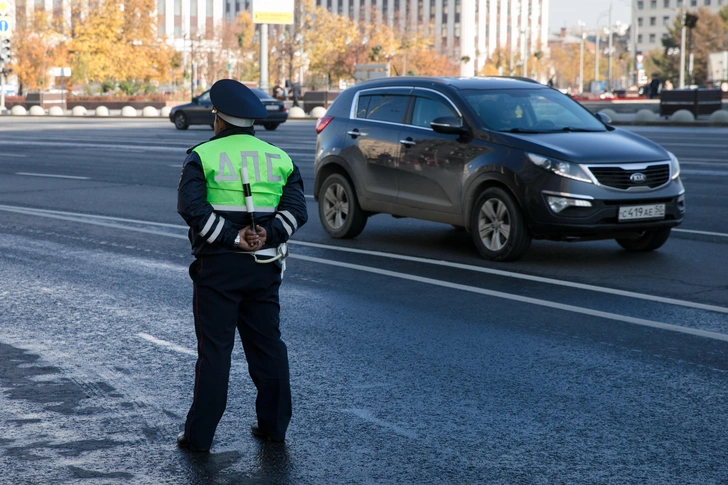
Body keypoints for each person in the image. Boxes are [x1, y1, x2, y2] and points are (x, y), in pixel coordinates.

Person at [176, 79, 308, 452]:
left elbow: (192, 209)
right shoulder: (280, 158)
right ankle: (274, 428)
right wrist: (266, 235)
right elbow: (297, 212)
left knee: (215, 352)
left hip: (218, 268)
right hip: (264, 268)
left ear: (218, 119)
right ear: (250, 122)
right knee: (268, 347)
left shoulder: (202, 155)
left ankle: (199, 437)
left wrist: (234, 237)